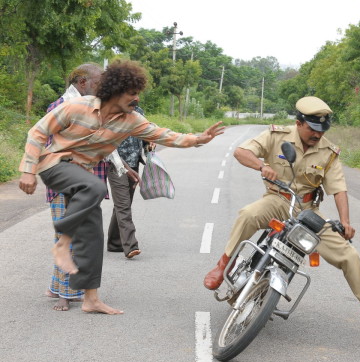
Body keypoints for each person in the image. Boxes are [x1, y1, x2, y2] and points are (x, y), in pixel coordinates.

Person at [19, 59, 225, 315]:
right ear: (115, 91)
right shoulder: (76, 107)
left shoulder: (131, 120)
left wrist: (198, 139)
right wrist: (28, 171)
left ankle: (90, 299)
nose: (137, 99)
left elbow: (164, 135)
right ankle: (63, 241)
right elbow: (37, 133)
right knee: (94, 187)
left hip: (82, 174)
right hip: (55, 166)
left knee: (94, 238)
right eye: (132, 93)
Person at [203, 96, 360, 338]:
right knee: (248, 214)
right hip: (278, 199)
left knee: (349, 254)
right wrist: (261, 166)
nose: (317, 134)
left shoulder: (329, 152)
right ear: (299, 122)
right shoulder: (275, 136)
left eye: (322, 130)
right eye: (312, 128)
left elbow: (339, 189)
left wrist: (345, 222)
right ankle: (221, 266)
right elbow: (241, 152)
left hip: (309, 210)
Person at [44, 63, 104, 311]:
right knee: (66, 237)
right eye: (98, 82)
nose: (102, 87)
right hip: (67, 182)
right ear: (82, 82)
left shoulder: (94, 107)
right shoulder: (62, 106)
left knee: (81, 236)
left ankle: (56, 287)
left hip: (85, 182)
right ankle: (64, 294)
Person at [106, 105, 155, 259]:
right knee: (123, 205)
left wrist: (149, 144)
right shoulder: (109, 112)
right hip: (116, 164)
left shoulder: (139, 112)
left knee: (123, 203)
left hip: (134, 163)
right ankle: (130, 245)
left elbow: (145, 135)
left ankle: (114, 243)